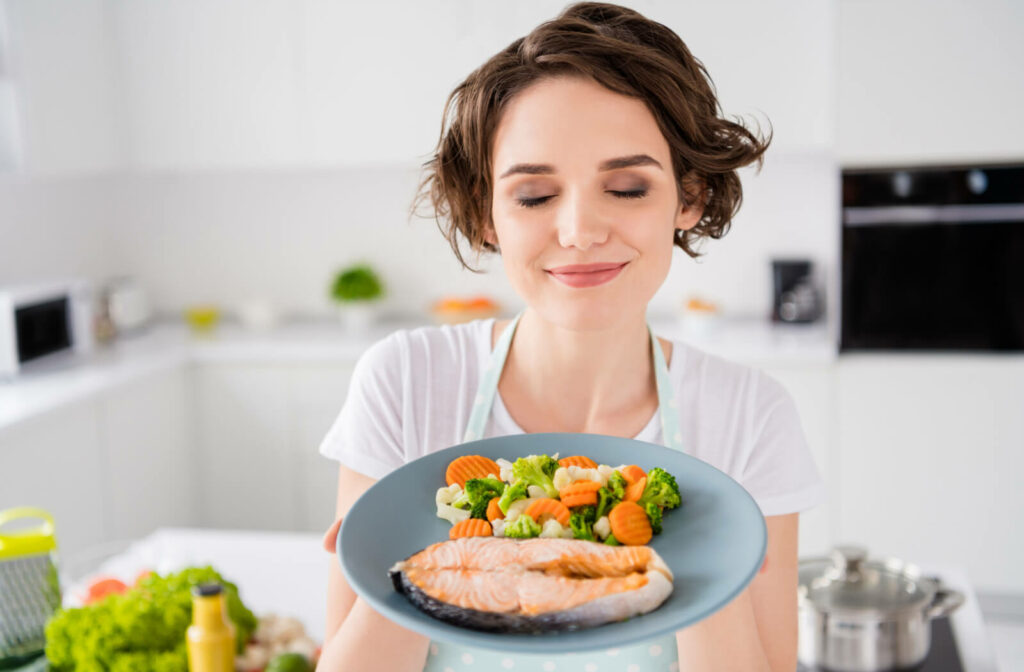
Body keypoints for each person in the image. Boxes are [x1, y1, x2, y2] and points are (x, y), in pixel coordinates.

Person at [317, 3, 825, 671]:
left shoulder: (748, 416)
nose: (581, 230)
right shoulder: (407, 381)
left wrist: (714, 556)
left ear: (690, 195)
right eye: (534, 196)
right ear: (487, 213)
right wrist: (419, 560)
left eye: (626, 187)